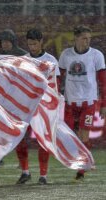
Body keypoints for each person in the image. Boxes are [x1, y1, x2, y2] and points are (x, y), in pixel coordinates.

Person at [58, 25, 106, 181]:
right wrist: (56, 96)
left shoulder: (96, 55)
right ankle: (80, 160)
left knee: (84, 135)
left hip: (89, 103)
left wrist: (104, 103)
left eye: (89, 38)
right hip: (70, 103)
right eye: (84, 38)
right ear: (76, 38)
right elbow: (58, 79)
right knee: (69, 136)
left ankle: (82, 169)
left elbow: (103, 81)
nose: (87, 41)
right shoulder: (66, 55)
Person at [15, 28, 60, 185]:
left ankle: (43, 175)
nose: (32, 47)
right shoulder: (24, 60)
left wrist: (55, 106)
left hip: (43, 106)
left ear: (41, 41)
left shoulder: (51, 60)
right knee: (19, 138)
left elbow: (56, 85)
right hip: (26, 105)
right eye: (29, 44)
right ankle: (25, 171)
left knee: (43, 140)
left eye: (34, 44)